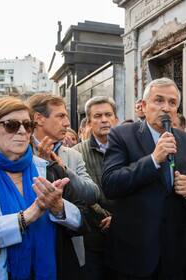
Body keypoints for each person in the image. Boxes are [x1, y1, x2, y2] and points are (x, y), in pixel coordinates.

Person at [0, 97, 86, 279]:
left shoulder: (50, 171)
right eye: (11, 125)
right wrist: (24, 218)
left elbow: (82, 222)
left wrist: (59, 208)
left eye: (27, 125)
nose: (22, 131)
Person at [102, 77, 186, 279]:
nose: (166, 108)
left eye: (172, 102)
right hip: (133, 253)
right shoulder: (121, 135)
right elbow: (110, 184)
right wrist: (153, 160)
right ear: (143, 106)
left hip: (176, 253)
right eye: (159, 100)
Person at [74, 96, 118, 280]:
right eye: (98, 116)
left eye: (108, 114)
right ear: (89, 123)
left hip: (127, 236)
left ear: (116, 119)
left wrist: (120, 218)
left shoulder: (128, 148)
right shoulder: (77, 152)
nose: (104, 120)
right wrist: (106, 217)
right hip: (93, 237)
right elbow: (81, 194)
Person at [27, 93, 100, 205]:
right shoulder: (20, 152)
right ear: (39, 118)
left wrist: (63, 170)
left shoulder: (73, 155)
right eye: (60, 116)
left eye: (66, 116)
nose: (67, 123)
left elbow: (93, 194)